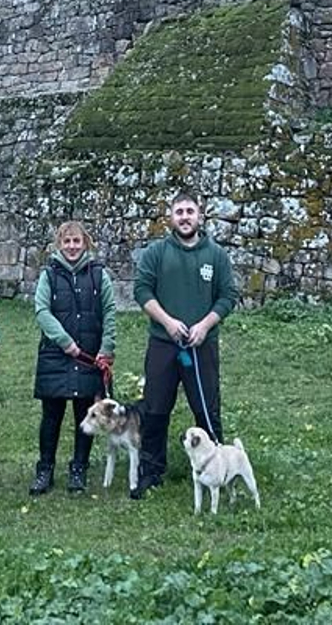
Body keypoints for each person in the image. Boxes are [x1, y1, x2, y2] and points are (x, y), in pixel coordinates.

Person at [130, 190, 237, 500]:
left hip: (201, 346)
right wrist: (167, 321)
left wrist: (204, 325)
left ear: (200, 216)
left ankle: (220, 468)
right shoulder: (156, 253)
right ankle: (151, 471)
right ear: (171, 217)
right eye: (179, 212)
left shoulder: (215, 255)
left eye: (190, 211)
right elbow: (141, 291)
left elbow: (228, 296)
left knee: (207, 410)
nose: (185, 217)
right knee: (155, 408)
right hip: (164, 344)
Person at [30, 220, 116, 495]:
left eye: (76, 241)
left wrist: (107, 347)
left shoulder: (98, 274)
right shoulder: (49, 275)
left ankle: (79, 467)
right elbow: (42, 310)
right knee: (51, 415)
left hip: (89, 356)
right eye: (66, 241)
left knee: (85, 414)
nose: (71, 246)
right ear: (59, 244)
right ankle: (45, 469)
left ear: (85, 243)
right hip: (56, 355)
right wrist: (65, 341)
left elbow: (110, 311)